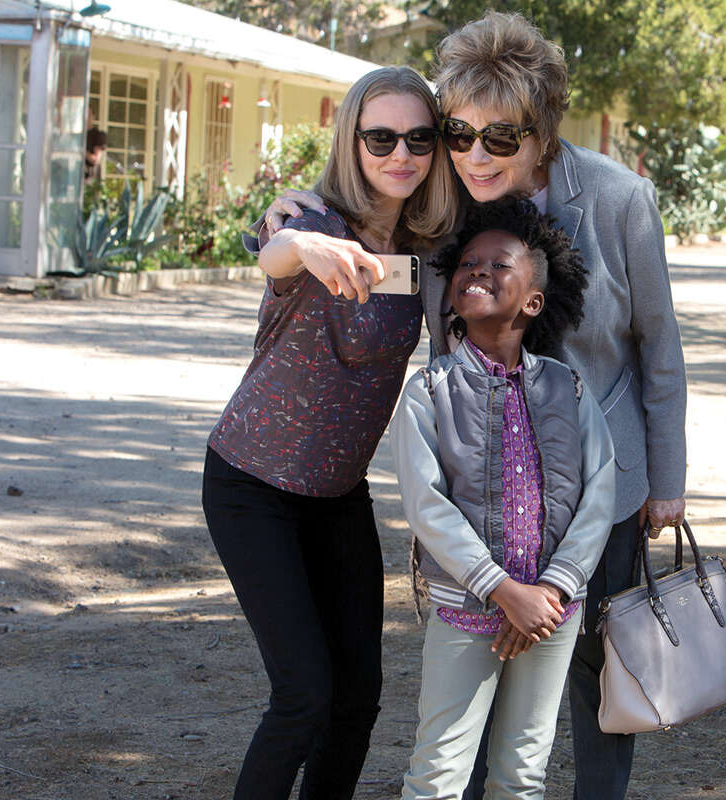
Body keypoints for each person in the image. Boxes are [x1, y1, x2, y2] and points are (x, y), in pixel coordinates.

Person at [261, 13, 688, 796]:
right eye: (459, 134)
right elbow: (359, 219)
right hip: (487, 490)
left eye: (501, 138)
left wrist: (668, 480)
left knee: (599, 668)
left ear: (542, 131)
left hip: (603, 485)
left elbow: (658, 347)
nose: (474, 156)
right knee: (488, 669)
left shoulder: (620, 200)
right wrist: (288, 218)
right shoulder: (440, 207)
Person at [200, 65, 457, 800]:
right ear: (352, 140)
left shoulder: (431, 243)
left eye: (419, 138)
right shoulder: (312, 221)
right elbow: (273, 254)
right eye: (381, 138)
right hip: (251, 485)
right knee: (303, 696)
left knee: (357, 700)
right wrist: (303, 247)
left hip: (338, 495)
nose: (400, 154)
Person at [391, 196, 615, 798]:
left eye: (498, 265)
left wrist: (551, 589)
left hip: (551, 612)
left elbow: (599, 493)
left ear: (533, 302)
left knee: (522, 774)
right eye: (468, 264)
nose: (478, 272)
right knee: (438, 771)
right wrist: (502, 590)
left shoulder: (568, 387)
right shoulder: (430, 390)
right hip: (467, 608)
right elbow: (427, 504)